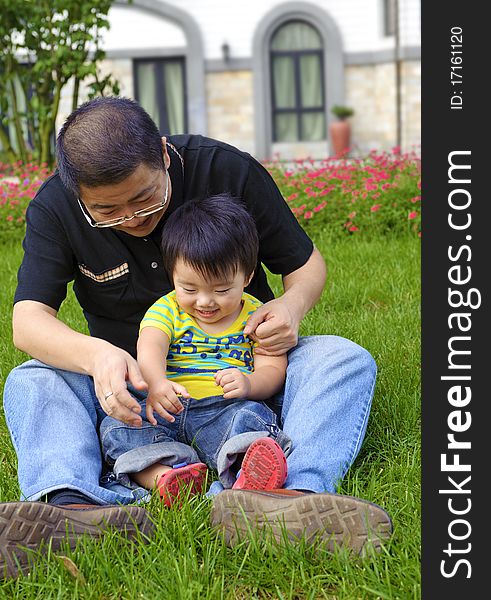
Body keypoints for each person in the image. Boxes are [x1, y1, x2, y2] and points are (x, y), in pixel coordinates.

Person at [1, 96, 392, 578]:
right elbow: (28, 320)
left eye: (144, 199)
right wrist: (96, 355)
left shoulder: (227, 171)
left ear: (164, 155)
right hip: (133, 385)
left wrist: (290, 308)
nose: (131, 219)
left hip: (244, 371)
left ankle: (289, 497)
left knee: (343, 357)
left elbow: (305, 265)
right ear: (77, 191)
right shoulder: (56, 206)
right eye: (107, 211)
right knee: (33, 379)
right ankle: (72, 507)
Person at [100, 194, 291, 505]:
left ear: (248, 276)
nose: (205, 301)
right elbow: (150, 347)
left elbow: (272, 368)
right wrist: (158, 384)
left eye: (222, 290)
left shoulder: (257, 316)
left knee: (250, 418)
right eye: (189, 289)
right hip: (167, 407)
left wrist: (250, 384)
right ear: (172, 275)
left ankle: (247, 474)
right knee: (119, 426)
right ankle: (164, 477)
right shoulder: (167, 309)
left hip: (224, 408)